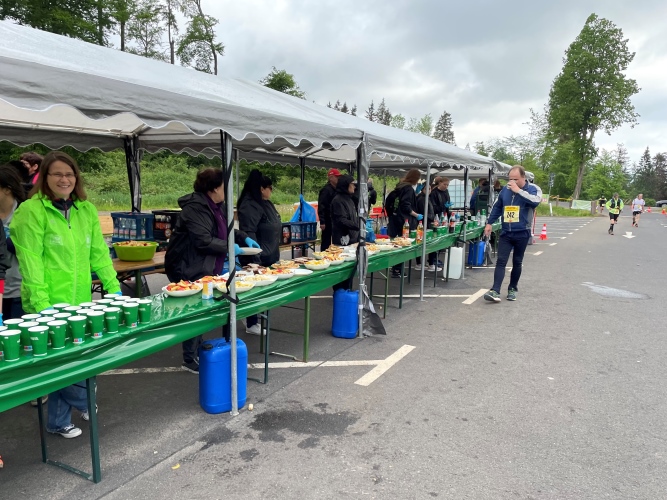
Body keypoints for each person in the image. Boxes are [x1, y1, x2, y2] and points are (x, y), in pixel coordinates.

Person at [11, 151, 122, 438]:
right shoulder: (31, 211)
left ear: (76, 178)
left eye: (69, 174)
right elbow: (30, 261)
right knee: (60, 365)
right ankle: (82, 400)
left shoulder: (86, 209)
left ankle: (58, 421)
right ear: (45, 177)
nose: (64, 179)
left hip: (80, 302)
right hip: (47, 304)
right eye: (57, 174)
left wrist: (114, 287)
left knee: (80, 358)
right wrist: (42, 304)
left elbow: (98, 253)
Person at [165, 168, 258, 372]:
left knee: (204, 307)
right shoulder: (195, 208)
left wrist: (243, 237)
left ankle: (202, 351)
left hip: (205, 264)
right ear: (215, 188)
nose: (227, 191)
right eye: (225, 186)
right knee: (194, 311)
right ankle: (190, 359)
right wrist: (230, 247)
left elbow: (227, 229)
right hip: (187, 265)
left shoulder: (216, 206)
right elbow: (203, 240)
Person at [483, 166, 542, 302]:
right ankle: (495, 290)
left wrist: (519, 191)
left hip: (522, 232)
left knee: (517, 261)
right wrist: (489, 223)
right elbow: (497, 207)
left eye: (516, 179)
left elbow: (535, 202)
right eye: (510, 179)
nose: (512, 182)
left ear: (523, 178)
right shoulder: (505, 190)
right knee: (501, 261)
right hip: (506, 232)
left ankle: (512, 289)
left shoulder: (533, 188)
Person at [237, 169, 281, 335]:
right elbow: (249, 232)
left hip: (269, 254)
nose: (271, 191)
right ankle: (251, 322)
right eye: (270, 188)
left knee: (262, 291)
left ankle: (254, 317)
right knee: (253, 290)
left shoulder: (265, 203)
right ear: (262, 189)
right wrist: (255, 259)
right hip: (257, 256)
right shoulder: (250, 204)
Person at [0, 165, 27, 319]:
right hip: (1, 291)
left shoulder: (25, 213)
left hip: (21, 290)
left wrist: (6, 241)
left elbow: (30, 249)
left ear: (7, 189)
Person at [386, 168, 423, 278]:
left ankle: (395, 267)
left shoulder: (400, 186)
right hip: (403, 221)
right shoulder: (408, 189)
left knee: (396, 244)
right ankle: (398, 269)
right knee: (402, 245)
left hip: (394, 219)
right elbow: (405, 206)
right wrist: (416, 215)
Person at [330, 175, 359, 290]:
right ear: (346, 185)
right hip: (342, 240)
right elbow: (341, 220)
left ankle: (346, 292)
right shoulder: (338, 200)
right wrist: (357, 226)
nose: (354, 187)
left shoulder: (349, 199)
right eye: (352, 184)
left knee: (349, 273)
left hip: (351, 239)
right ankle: (340, 294)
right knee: (341, 272)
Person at [414, 182, 440, 272]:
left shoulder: (426, 198)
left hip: (426, 223)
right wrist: (431, 218)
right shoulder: (422, 199)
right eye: (426, 189)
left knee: (422, 243)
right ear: (422, 189)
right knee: (427, 243)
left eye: (429, 189)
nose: (428, 190)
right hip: (424, 224)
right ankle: (427, 263)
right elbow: (424, 213)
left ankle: (422, 263)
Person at [317, 168, 341, 252]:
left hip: (335, 219)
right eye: (336, 177)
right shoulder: (326, 190)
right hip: (327, 219)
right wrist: (322, 221)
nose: (338, 179)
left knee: (336, 239)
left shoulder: (337, 189)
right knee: (326, 240)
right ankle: (323, 255)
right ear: (331, 178)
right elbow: (321, 206)